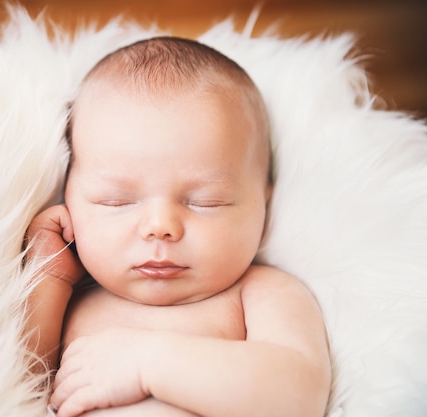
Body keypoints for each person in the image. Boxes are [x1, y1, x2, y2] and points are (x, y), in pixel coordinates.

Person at [24, 36, 331, 417]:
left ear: (263, 204)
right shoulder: (76, 299)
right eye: (116, 201)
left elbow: (298, 398)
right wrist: (47, 278)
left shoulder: (262, 293)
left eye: (205, 202)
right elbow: (17, 385)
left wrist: (146, 363)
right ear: (69, 200)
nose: (160, 228)